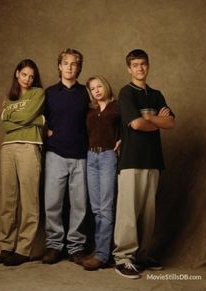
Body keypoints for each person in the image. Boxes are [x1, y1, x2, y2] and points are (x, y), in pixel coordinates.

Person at [113, 49, 175, 279]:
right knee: (128, 212)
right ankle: (123, 257)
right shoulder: (126, 93)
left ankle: (140, 256)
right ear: (129, 68)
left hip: (153, 160)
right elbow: (136, 125)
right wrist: (153, 120)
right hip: (131, 160)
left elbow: (171, 123)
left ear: (148, 66)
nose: (140, 68)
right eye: (135, 65)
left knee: (147, 213)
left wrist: (148, 119)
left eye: (143, 64)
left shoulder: (157, 94)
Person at [42, 48, 89, 265]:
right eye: (66, 63)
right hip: (55, 154)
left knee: (79, 204)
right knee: (53, 202)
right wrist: (46, 131)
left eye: (74, 64)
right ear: (59, 66)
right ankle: (54, 245)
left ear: (79, 68)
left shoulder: (86, 92)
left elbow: (102, 114)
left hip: (81, 154)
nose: (70, 67)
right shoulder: (49, 93)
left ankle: (76, 247)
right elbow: (37, 118)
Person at [0, 59, 45, 266]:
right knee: (8, 200)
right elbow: (5, 127)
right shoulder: (10, 97)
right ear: (17, 73)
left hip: (29, 146)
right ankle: (6, 245)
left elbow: (24, 116)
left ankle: (23, 249)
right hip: (8, 148)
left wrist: (11, 115)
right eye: (24, 74)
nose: (28, 79)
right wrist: (40, 121)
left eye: (31, 76)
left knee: (29, 200)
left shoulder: (37, 93)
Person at [82, 75, 120, 271]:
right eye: (92, 88)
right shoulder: (91, 110)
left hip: (107, 157)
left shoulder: (117, 107)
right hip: (91, 157)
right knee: (95, 208)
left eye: (99, 86)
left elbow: (127, 129)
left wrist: (122, 140)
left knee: (105, 207)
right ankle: (99, 249)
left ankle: (103, 255)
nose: (96, 90)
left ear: (105, 86)